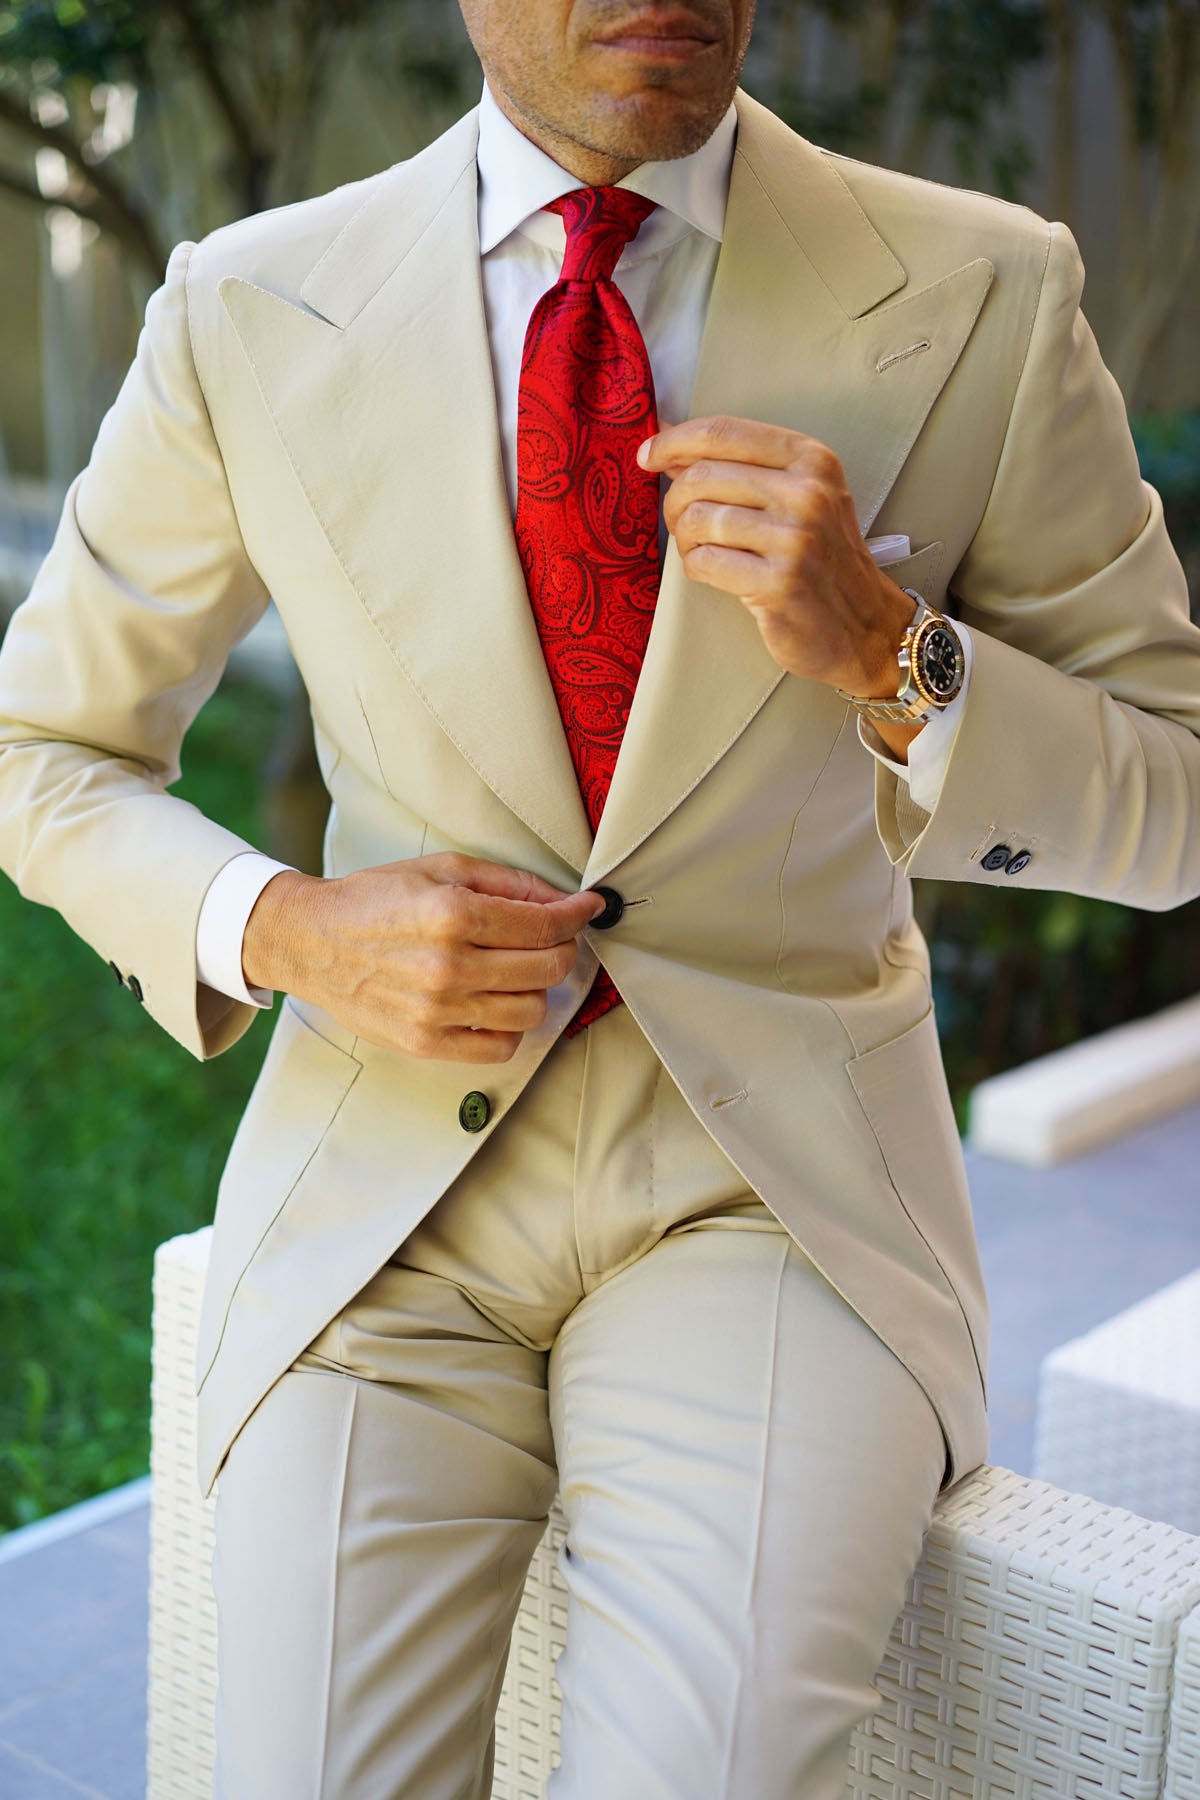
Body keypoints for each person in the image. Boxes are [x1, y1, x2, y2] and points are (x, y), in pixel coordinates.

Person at [1, 0, 1198, 1792]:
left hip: (774, 1193)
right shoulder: (250, 303)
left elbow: (1174, 802)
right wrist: (285, 927)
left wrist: (898, 656)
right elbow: (46, 750)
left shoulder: (984, 291)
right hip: (384, 1204)